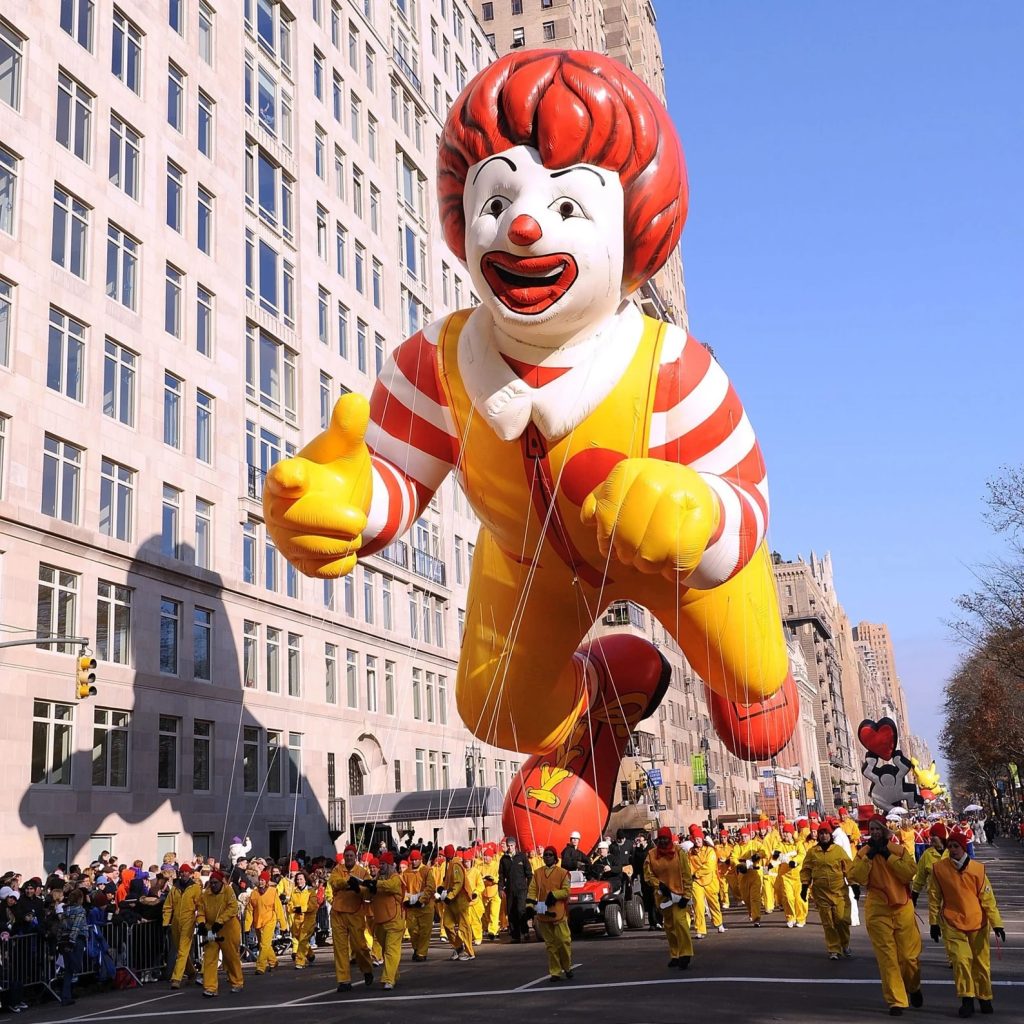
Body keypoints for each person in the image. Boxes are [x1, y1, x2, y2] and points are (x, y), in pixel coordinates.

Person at [848, 815, 922, 1015]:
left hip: (902, 907)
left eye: (878, 829)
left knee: (908, 957)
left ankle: (913, 987)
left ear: (885, 831)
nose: (874, 833)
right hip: (877, 909)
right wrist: (869, 858)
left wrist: (888, 857)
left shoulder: (898, 850)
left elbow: (909, 873)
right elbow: (856, 877)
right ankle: (896, 1000)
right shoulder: (863, 853)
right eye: (871, 830)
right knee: (887, 957)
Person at [929, 827, 1006, 1018]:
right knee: (961, 961)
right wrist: (933, 923)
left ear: (964, 848)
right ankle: (967, 999)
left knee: (981, 963)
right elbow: (934, 896)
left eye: (957, 846)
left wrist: (997, 923)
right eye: (950, 846)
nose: (953, 849)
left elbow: (988, 898)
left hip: (977, 922)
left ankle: (985, 997)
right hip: (952, 922)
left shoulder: (978, 870)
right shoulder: (939, 869)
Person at [801, 820, 853, 960]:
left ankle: (845, 943)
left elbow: (848, 867)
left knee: (841, 920)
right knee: (828, 922)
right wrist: (804, 886)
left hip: (839, 892)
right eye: (821, 833)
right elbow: (806, 869)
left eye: (826, 833)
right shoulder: (813, 852)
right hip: (821, 893)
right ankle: (833, 949)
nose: (824, 836)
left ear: (830, 835)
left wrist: (854, 884)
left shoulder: (838, 850)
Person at [644, 826, 693, 969]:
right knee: (669, 926)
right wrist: (658, 885)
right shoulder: (651, 855)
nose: (663, 841)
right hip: (663, 896)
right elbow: (648, 875)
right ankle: (675, 954)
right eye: (660, 839)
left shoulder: (679, 852)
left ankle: (686, 953)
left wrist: (687, 895)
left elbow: (686, 874)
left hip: (679, 894)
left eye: (665, 838)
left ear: (670, 838)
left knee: (680, 922)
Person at [328, 846, 374, 992]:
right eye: (346, 855)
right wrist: (347, 883)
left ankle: (367, 969)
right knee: (340, 949)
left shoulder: (363, 872)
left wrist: (357, 889)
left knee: (359, 946)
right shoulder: (337, 870)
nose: (348, 858)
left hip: (355, 913)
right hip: (338, 912)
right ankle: (343, 980)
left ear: (356, 857)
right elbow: (334, 882)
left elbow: (368, 893)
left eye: (351, 855)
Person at [527, 846, 573, 982]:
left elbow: (566, 891)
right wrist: (529, 906)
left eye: (550, 855)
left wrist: (554, 894)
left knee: (563, 941)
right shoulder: (537, 873)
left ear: (555, 857)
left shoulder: (563, 873)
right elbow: (532, 891)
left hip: (559, 912)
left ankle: (567, 967)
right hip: (543, 912)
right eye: (545, 855)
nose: (547, 857)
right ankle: (555, 972)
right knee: (550, 945)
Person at [196, 869, 243, 997]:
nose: (213, 885)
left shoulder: (228, 891)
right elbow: (200, 911)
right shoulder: (205, 895)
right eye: (211, 883)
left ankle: (237, 982)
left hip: (228, 926)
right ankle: (210, 987)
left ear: (221, 882)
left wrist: (220, 921)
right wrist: (201, 923)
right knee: (209, 957)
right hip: (211, 927)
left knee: (231, 956)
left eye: (215, 882)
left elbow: (232, 907)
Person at [369, 853, 405, 990]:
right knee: (386, 951)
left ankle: (388, 979)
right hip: (381, 920)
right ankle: (393, 974)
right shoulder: (378, 878)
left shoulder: (395, 878)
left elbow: (389, 886)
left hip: (395, 921)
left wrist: (374, 884)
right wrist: (361, 887)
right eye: (380, 864)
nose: (381, 866)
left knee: (391, 950)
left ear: (390, 865)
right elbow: (370, 893)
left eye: (383, 864)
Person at [162, 863, 199, 988]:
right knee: (180, 950)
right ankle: (192, 972)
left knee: (183, 950)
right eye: (182, 872)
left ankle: (176, 978)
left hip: (189, 921)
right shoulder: (174, 889)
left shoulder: (195, 888)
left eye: (187, 872)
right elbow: (168, 906)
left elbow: (201, 906)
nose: (184, 874)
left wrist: (201, 921)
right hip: (176, 922)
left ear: (190, 873)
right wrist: (166, 922)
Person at [688, 825, 724, 937]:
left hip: (710, 881)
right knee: (698, 905)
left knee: (714, 903)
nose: (697, 841)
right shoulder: (690, 852)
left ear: (702, 838)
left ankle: (718, 923)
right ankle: (700, 929)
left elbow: (709, 866)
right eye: (695, 839)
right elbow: (688, 866)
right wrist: (691, 875)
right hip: (696, 882)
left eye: (699, 839)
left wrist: (696, 873)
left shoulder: (710, 851)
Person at [401, 849, 436, 960]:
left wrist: (421, 900)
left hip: (426, 906)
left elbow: (430, 887)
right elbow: (402, 888)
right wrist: (406, 900)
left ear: (420, 859)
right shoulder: (406, 873)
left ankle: (422, 953)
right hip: (412, 907)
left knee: (425, 931)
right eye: (413, 860)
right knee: (412, 930)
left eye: (417, 859)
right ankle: (416, 948)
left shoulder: (427, 870)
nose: (414, 861)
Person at [499, 837, 533, 943]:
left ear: (515, 846)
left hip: (521, 889)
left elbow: (529, 874)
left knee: (520, 910)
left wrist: (528, 887)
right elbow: (501, 875)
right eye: (508, 846)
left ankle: (525, 931)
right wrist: (500, 888)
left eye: (512, 846)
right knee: (511, 911)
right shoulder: (503, 859)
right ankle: (515, 935)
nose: (510, 848)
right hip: (510, 889)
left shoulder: (521, 857)